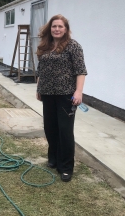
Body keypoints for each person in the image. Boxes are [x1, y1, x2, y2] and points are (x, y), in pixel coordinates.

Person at [35, 14, 87, 182]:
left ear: (66, 30)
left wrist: (78, 92)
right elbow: (41, 70)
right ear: (50, 28)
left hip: (66, 95)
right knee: (50, 128)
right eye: (54, 26)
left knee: (65, 131)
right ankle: (54, 159)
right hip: (47, 94)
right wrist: (39, 88)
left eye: (60, 26)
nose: (57, 29)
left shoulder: (73, 46)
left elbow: (80, 70)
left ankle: (66, 167)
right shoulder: (45, 46)